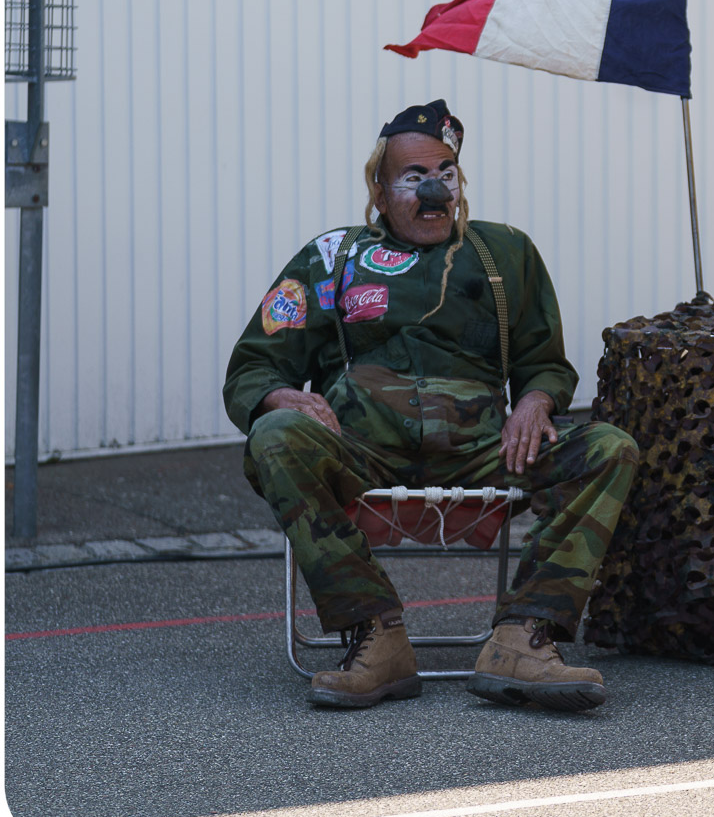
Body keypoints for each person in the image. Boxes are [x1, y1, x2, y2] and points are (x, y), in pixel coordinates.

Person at [224, 99, 639, 711]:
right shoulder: (331, 259)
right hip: (361, 453)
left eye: (446, 174)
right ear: (379, 188)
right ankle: (375, 633)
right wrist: (283, 395)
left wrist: (535, 402)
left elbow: (545, 362)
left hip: (483, 453)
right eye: (414, 177)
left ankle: (522, 637)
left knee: (611, 449)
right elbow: (253, 366)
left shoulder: (505, 255)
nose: (434, 191)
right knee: (274, 434)